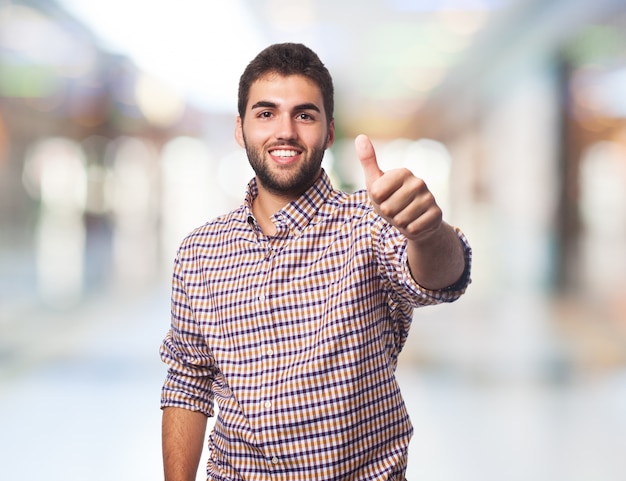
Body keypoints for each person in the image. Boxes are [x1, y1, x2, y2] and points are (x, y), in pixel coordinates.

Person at [160, 42, 471, 481]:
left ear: (328, 132)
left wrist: (427, 233)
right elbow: (187, 382)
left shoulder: (372, 225)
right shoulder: (200, 250)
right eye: (265, 113)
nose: (284, 131)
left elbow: (442, 277)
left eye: (304, 115)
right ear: (240, 129)